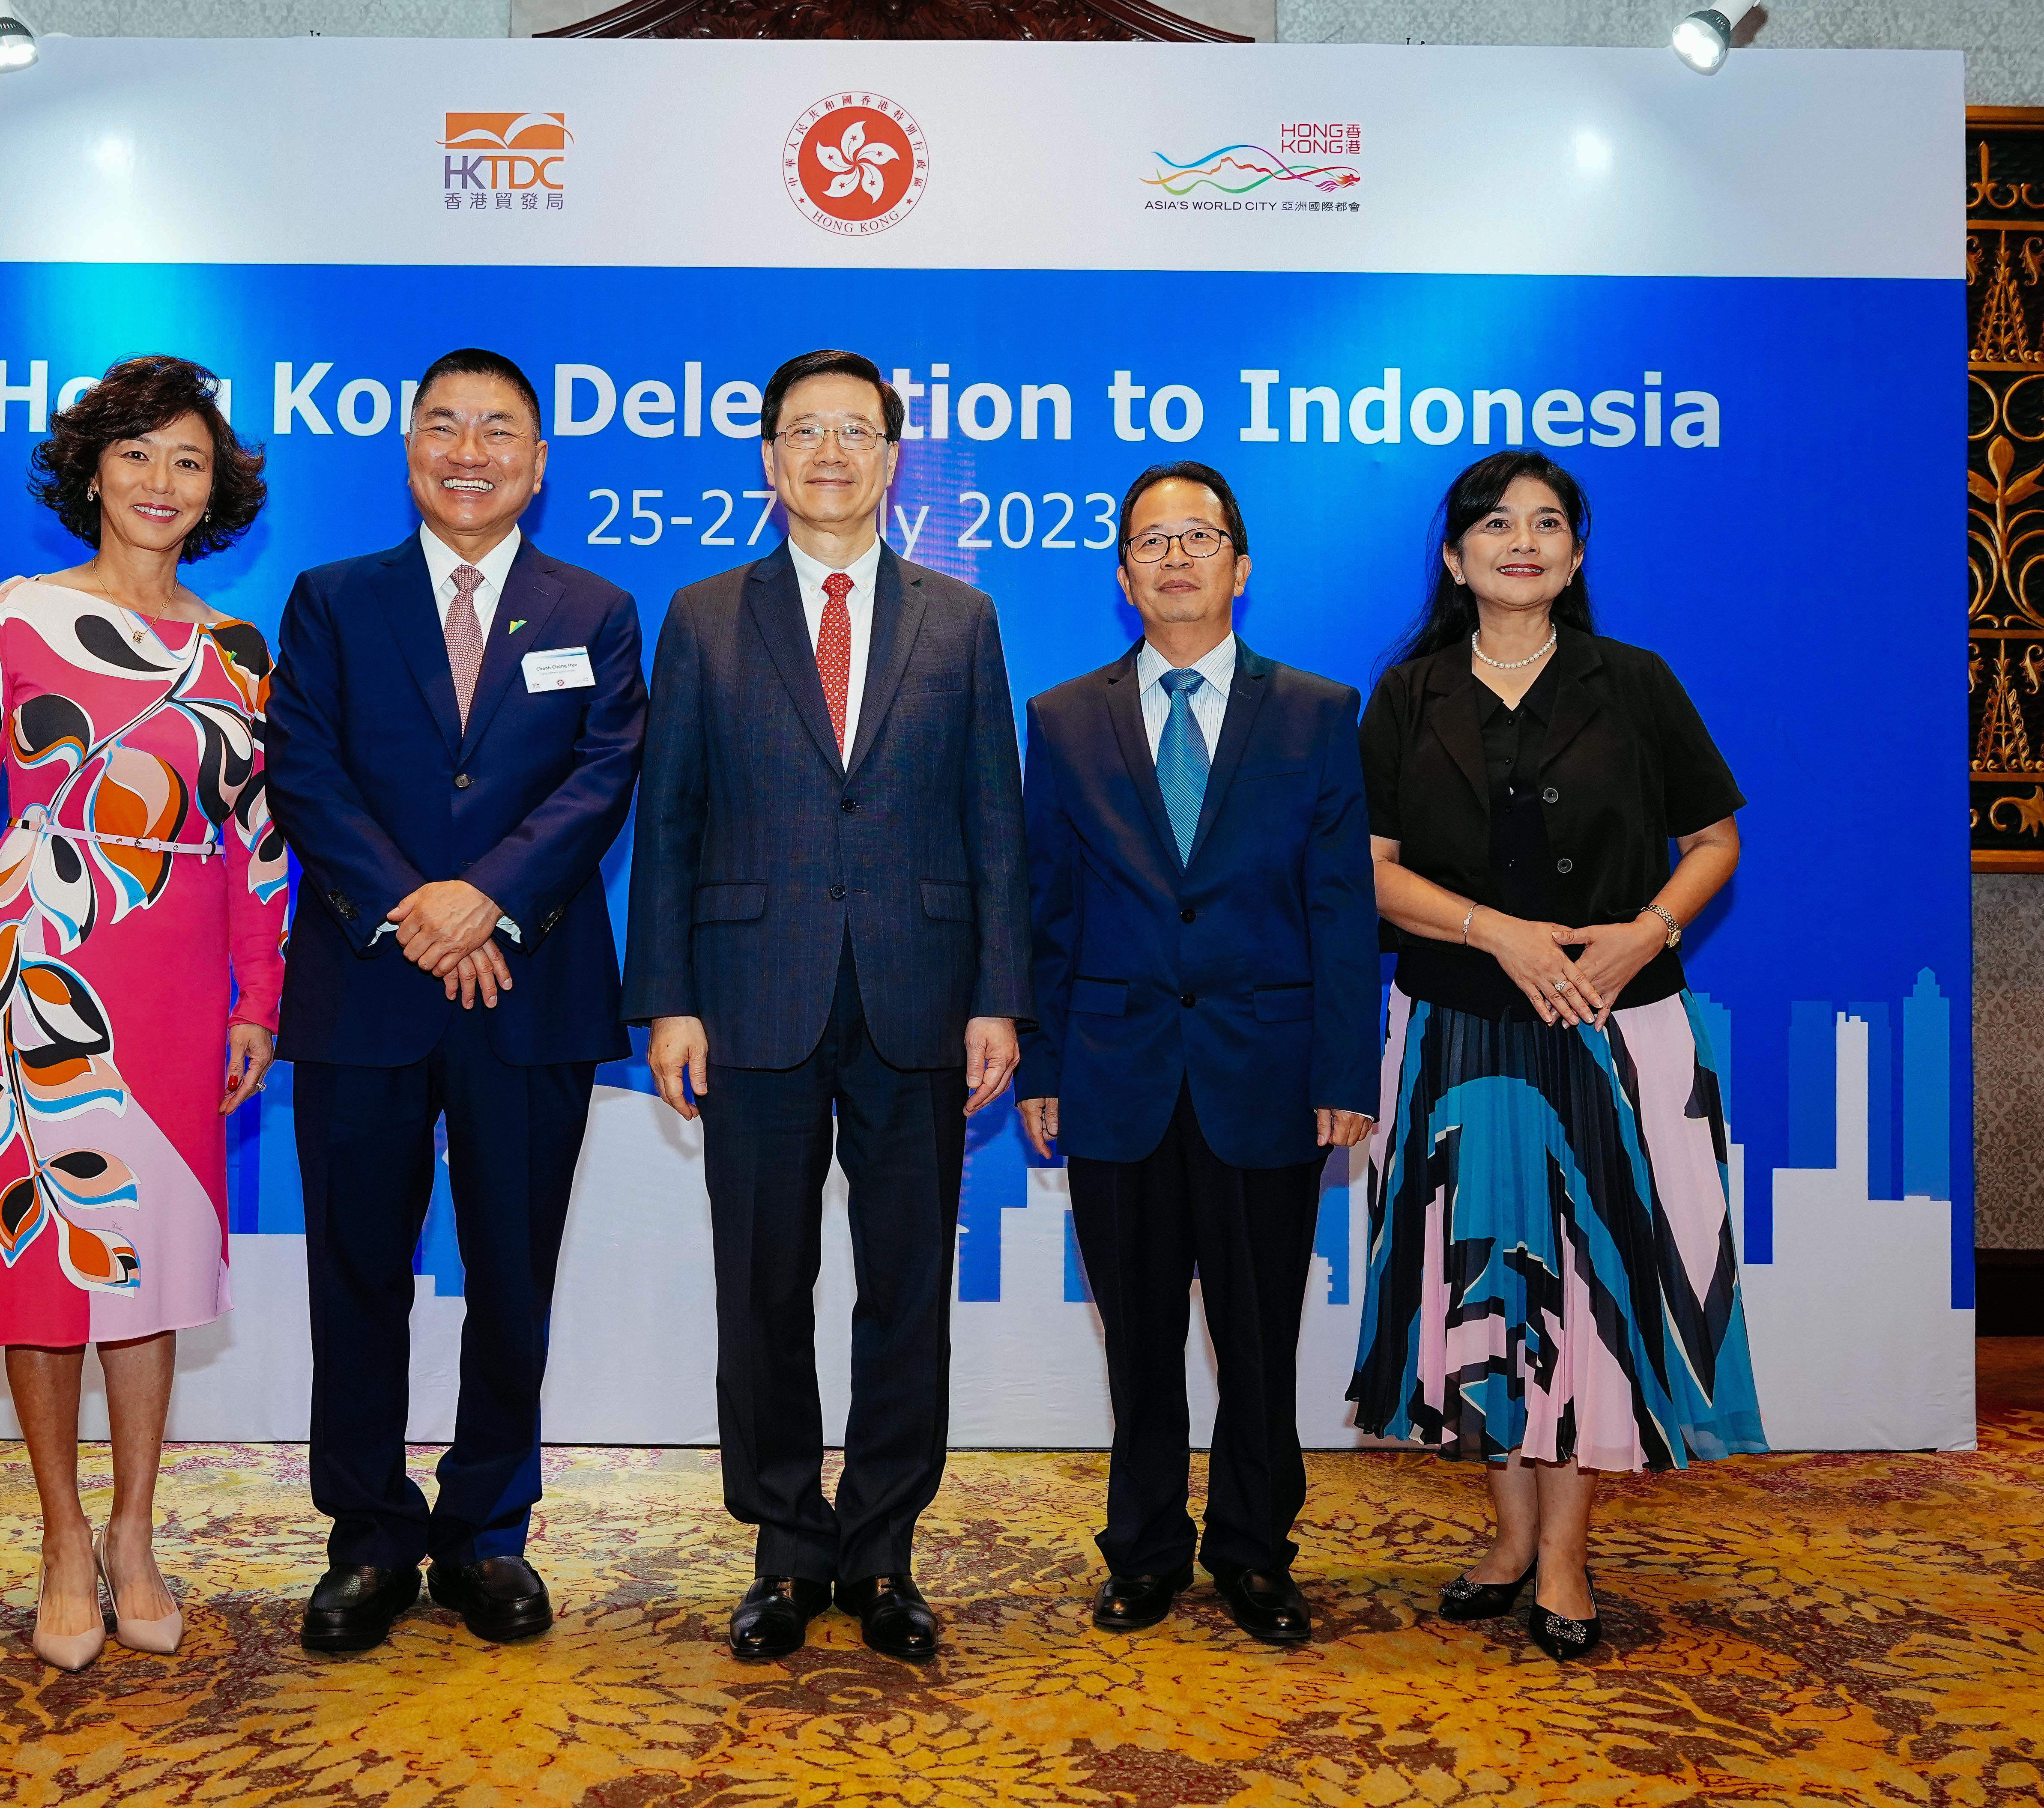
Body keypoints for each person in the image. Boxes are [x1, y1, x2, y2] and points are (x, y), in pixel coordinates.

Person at [625, 348, 1028, 1665]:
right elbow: (670, 822)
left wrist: (998, 998)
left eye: (857, 431)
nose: (832, 454)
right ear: (768, 458)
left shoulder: (960, 619)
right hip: (751, 995)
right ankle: (789, 1550)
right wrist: (669, 999)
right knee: (764, 1284)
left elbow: (996, 822)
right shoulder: (704, 615)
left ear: (894, 459)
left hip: (921, 997)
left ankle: (884, 1550)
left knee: (906, 1289)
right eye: (805, 431)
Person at [260, 348, 646, 1653]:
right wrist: (415, 910)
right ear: (410, 447)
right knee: (357, 1274)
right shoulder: (334, 600)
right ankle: (369, 1534)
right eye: (444, 426)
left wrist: (485, 899)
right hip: (367, 983)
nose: (468, 453)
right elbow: (304, 770)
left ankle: (488, 1530)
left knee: (513, 1276)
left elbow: (602, 778)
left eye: (498, 431)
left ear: (539, 463)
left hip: (529, 988)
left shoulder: (597, 609)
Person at [1348, 451, 1764, 1662]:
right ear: (1454, 557)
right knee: (1482, 1284)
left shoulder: (1635, 683)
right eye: (1494, 524)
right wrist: (1497, 932)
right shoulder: (1408, 696)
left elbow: (1715, 840)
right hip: (1460, 1029)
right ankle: (1511, 1536)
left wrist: (1645, 933)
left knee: (1591, 1291)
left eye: (1546, 525)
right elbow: (1369, 872)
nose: (1520, 542)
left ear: (1576, 556)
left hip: (1612, 1024)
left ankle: (1568, 1555)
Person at [0, 353, 286, 1671]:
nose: (160, 481)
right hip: (37, 970)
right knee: (46, 1266)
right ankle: (63, 1539)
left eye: (188, 460)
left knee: (151, 1263)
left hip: (181, 988)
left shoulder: (238, 653)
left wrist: (258, 997)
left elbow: (258, 843)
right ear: (91, 472)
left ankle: (136, 1533)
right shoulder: (7, 618)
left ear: (215, 490)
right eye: (136, 454)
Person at [1016, 462, 1378, 1646]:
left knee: (1259, 1338)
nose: (1175, 557)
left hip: (1267, 1073)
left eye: (1199, 537)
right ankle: (1144, 1550)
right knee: (1140, 1341)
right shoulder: (1063, 719)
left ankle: (1256, 1553)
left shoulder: (1317, 712)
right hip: (1114, 1072)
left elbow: (1340, 907)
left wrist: (1344, 1071)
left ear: (1241, 565)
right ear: (1124, 575)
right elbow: (1047, 908)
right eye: (1151, 541)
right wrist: (1043, 1065)